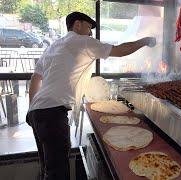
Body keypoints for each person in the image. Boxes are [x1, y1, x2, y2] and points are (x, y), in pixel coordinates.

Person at [26, 11, 156, 180]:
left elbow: (35, 79)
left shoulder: (53, 46)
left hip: (37, 111)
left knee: (48, 168)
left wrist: (31, 108)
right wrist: (145, 41)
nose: (90, 33)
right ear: (77, 24)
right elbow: (120, 50)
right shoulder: (83, 42)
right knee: (58, 172)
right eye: (88, 27)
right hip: (53, 113)